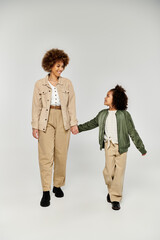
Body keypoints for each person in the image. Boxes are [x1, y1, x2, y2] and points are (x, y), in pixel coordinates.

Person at [73, 85, 147, 210]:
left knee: (119, 174)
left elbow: (132, 131)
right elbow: (92, 123)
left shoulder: (124, 115)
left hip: (122, 148)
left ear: (115, 99)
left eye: (108, 95)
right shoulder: (102, 114)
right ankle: (112, 190)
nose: (105, 97)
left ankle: (115, 199)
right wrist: (78, 128)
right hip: (108, 146)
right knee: (108, 172)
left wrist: (141, 148)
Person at [31, 48, 78, 207]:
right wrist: (35, 126)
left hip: (63, 119)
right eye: (58, 66)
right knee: (45, 156)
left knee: (61, 154)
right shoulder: (39, 84)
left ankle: (57, 186)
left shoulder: (67, 84)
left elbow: (71, 105)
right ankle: (46, 191)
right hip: (46, 119)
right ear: (50, 65)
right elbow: (36, 107)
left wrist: (73, 123)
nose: (60, 69)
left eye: (62, 66)